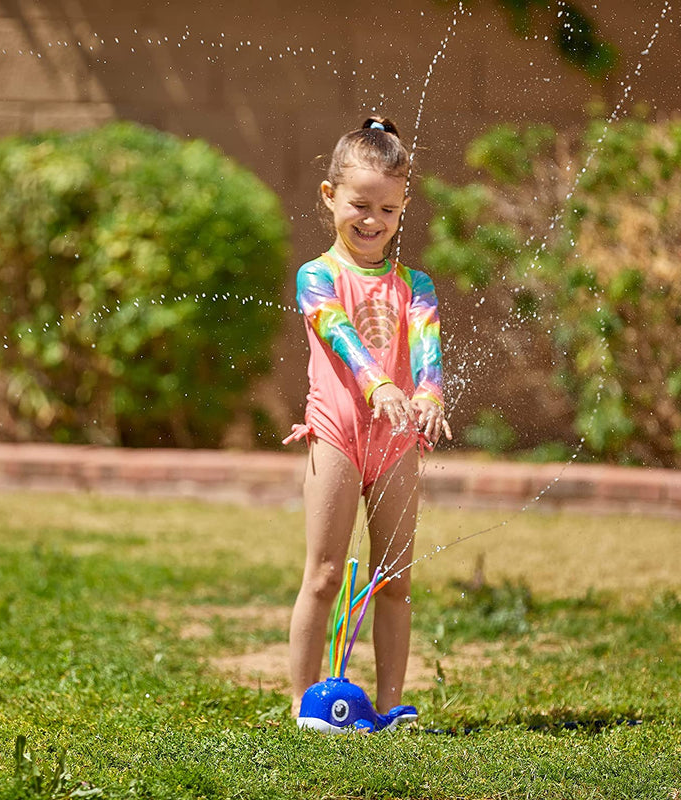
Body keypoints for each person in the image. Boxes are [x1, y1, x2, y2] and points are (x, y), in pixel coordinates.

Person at [284, 116, 452, 720]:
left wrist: (429, 394)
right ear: (330, 197)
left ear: (404, 204)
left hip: (397, 443)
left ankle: (390, 707)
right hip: (336, 433)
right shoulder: (317, 276)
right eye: (360, 204)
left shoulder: (417, 285)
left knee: (395, 581)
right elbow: (340, 335)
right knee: (325, 574)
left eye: (387, 207)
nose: (372, 219)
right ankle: (304, 706)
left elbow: (428, 349)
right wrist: (380, 384)